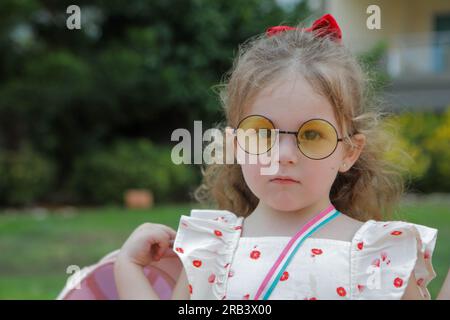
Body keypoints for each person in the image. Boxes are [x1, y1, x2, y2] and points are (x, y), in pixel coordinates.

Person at [114, 14, 438, 300]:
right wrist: (128, 268)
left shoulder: (376, 254)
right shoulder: (213, 250)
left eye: (311, 135)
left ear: (348, 152)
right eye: (262, 134)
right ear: (236, 146)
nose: (283, 156)